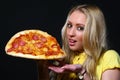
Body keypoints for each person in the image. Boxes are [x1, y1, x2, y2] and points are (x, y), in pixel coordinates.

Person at [37, 4, 120, 80]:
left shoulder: (109, 57)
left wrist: (82, 71)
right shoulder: (65, 58)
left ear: (93, 32)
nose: (70, 33)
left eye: (80, 28)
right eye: (69, 25)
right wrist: (42, 66)